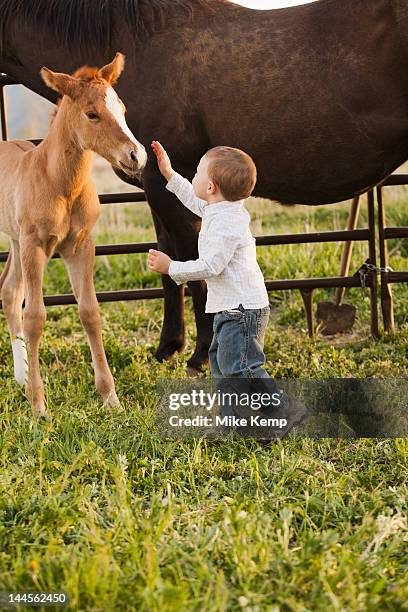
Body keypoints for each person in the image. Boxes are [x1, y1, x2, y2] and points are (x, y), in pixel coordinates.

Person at [148, 141, 307, 438]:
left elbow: (210, 266)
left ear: (210, 186)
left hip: (242, 311)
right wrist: (169, 173)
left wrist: (172, 267)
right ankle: (234, 425)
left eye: (196, 173)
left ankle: (284, 408)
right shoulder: (218, 209)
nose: (192, 177)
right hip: (229, 308)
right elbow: (192, 200)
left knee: (241, 368)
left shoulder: (227, 223)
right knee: (222, 368)